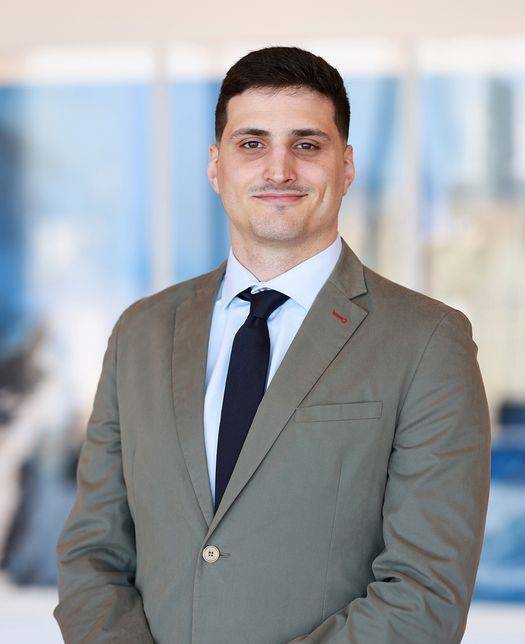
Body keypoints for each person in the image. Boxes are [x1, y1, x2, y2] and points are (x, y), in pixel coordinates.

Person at [54, 45, 491, 643]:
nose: (279, 170)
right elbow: (92, 555)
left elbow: (425, 595)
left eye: (306, 145)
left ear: (346, 166)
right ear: (216, 165)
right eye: (252, 143)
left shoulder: (427, 341)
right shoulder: (141, 333)